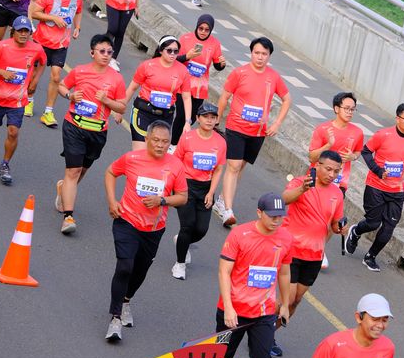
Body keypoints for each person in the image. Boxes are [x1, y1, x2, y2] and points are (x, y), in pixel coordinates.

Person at [202, 192, 292, 358]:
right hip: (233, 309)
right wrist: (229, 307)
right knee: (222, 356)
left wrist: (285, 304)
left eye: (280, 216)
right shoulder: (240, 234)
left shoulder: (286, 238)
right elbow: (224, 272)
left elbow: (284, 272)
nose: (277, 220)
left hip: (264, 311)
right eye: (272, 216)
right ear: (259, 213)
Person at [104, 120, 187, 342]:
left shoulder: (175, 166)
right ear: (147, 139)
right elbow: (111, 172)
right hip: (127, 221)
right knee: (125, 266)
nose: (160, 145)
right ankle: (115, 318)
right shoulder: (132, 158)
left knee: (140, 270)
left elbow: (182, 197)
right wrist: (112, 201)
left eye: (165, 142)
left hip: (153, 229)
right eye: (156, 140)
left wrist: (162, 200)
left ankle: (126, 300)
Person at [214, 36, 291, 227]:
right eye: (257, 53)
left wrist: (276, 124)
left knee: (240, 167)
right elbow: (224, 97)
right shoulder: (239, 73)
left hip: (257, 132)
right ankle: (228, 210)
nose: (260, 57)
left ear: (269, 55)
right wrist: (217, 117)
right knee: (233, 166)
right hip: (236, 127)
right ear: (251, 53)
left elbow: (287, 99)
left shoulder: (273, 77)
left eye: (264, 53)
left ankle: (222, 200)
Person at [56, 34, 126, 235]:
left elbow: (121, 106)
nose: (105, 55)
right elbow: (61, 85)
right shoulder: (80, 71)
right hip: (74, 125)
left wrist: (107, 101)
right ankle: (68, 217)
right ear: (92, 52)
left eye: (109, 52)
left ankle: (64, 189)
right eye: (101, 51)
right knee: (73, 170)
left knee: (83, 170)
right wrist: (70, 95)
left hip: (97, 131)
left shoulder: (116, 78)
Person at [346, 101, 404, 272]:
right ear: (398, 118)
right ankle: (356, 231)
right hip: (376, 187)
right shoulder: (383, 135)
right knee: (373, 223)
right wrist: (378, 170)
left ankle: (370, 256)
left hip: (397, 192)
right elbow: (366, 151)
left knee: (389, 228)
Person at [0, 16, 46, 185]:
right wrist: (1, 72)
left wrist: (35, 80)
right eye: (20, 31)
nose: (23, 34)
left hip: (17, 101)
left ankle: (5, 165)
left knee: (13, 132)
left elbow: (43, 62)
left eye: (26, 31)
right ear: (13, 31)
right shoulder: (1, 47)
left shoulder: (36, 49)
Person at [283, 151, 347, 318]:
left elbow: (335, 224)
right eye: (328, 169)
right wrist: (302, 189)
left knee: (296, 301)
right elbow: (284, 199)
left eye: (336, 171)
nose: (332, 175)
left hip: (315, 255)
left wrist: (340, 228)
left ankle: (269, 331)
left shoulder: (337, 194)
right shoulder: (301, 182)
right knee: (288, 300)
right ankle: (261, 330)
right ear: (317, 165)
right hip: (292, 251)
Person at [308, 91, 364, 269]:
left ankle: (319, 249)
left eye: (353, 109)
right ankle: (305, 244)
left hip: (340, 183)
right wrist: (328, 145)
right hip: (316, 179)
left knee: (332, 218)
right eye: (346, 108)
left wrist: (353, 157)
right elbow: (312, 157)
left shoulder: (357, 132)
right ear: (336, 108)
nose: (350, 112)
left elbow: (358, 151)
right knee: (312, 216)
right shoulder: (323, 129)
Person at [171, 102, 226, 280]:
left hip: (205, 188)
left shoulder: (220, 142)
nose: (209, 120)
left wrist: (211, 192)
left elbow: (218, 169)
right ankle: (179, 264)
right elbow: (176, 162)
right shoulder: (187, 138)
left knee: (201, 229)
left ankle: (182, 240)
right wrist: (175, 186)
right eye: (205, 117)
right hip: (186, 185)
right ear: (198, 118)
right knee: (187, 225)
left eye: (213, 117)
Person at [30, 0, 83, 126]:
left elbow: (78, 12)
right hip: (42, 41)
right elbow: (34, 13)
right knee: (34, 76)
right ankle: (29, 100)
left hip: (61, 43)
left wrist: (77, 27)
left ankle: (48, 112)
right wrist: (53, 18)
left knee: (55, 77)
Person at [123, 35, 192, 150]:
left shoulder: (183, 70)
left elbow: (186, 97)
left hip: (165, 116)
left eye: (176, 51)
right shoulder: (147, 65)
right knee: (141, 154)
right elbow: (132, 88)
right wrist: (120, 109)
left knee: (156, 153)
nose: (172, 54)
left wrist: (187, 122)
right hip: (144, 113)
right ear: (160, 50)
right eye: (169, 50)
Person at [171, 13, 226, 145]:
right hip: (183, 86)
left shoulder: (215, 43)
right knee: (181, 116)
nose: (203, 32)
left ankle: (180, 143)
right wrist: (187, 56)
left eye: (207, 30)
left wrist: (222, 65)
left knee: (192, 118)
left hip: (200, 88)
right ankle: (173, 144)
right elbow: (174, 60)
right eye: (201, 28)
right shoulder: (185, 38)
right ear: (197, 26)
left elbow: (217, 65)